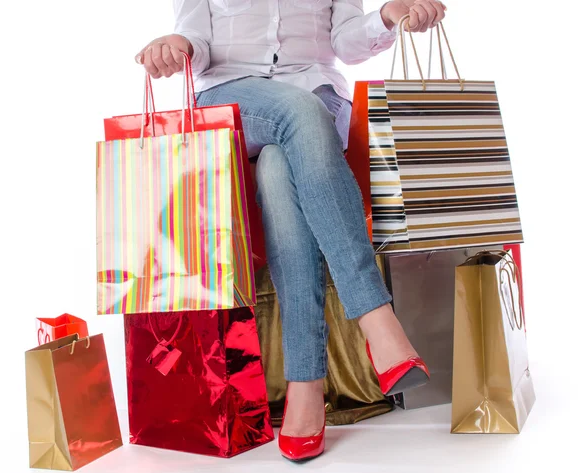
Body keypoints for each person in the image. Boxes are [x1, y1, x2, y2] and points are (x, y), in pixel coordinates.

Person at [136, 0, 446, 462]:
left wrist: (384, 16)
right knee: (297, 112)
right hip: (230, 95)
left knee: (280, 166)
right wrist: (176, 45)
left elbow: (344, 41)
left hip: (319, 95)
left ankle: (306, 385)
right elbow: (198, 42)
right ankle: (377, 320)